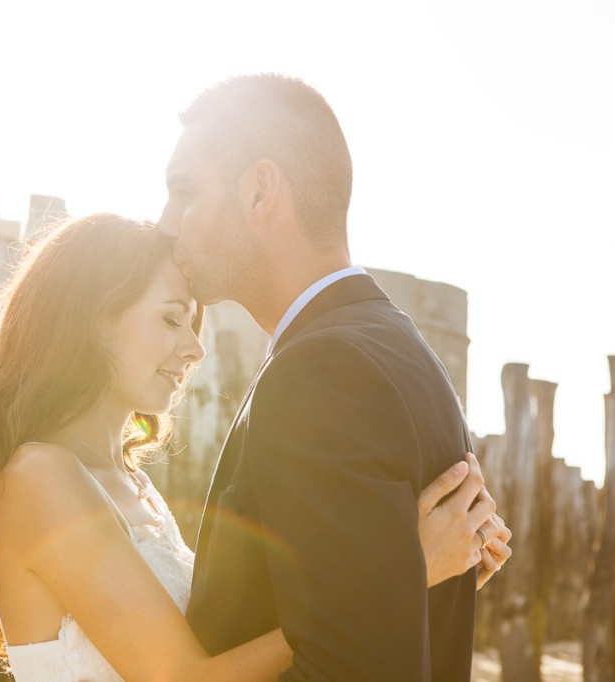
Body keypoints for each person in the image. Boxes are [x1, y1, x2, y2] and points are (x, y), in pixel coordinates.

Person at [0, 212, 510, 681]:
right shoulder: (39, 478)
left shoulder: (133, 485)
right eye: (171, 320)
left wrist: (424, 573)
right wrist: (398, 575)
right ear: (87, 319)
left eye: (194, 325)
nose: (194, 350)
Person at [158, 74, 506, 681]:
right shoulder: (400, 351)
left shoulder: (321, 375)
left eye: (184, 192)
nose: (165, 223)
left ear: (260, 190)